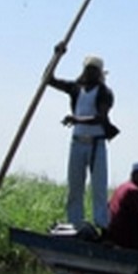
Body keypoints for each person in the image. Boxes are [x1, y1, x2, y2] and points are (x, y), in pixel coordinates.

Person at [47, 52, 117, 231]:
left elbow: (100, 118)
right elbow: (48, 79)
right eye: (88, 69)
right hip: (77, 143)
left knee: (98, 188)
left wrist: (76, 120)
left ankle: (102, 224)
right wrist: (56, 55)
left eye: (94, 70)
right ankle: (75, 223)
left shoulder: (104, 92)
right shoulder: (76, 88)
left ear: (100, 73)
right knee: (75, 186)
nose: (90, 73)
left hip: (96, 144)